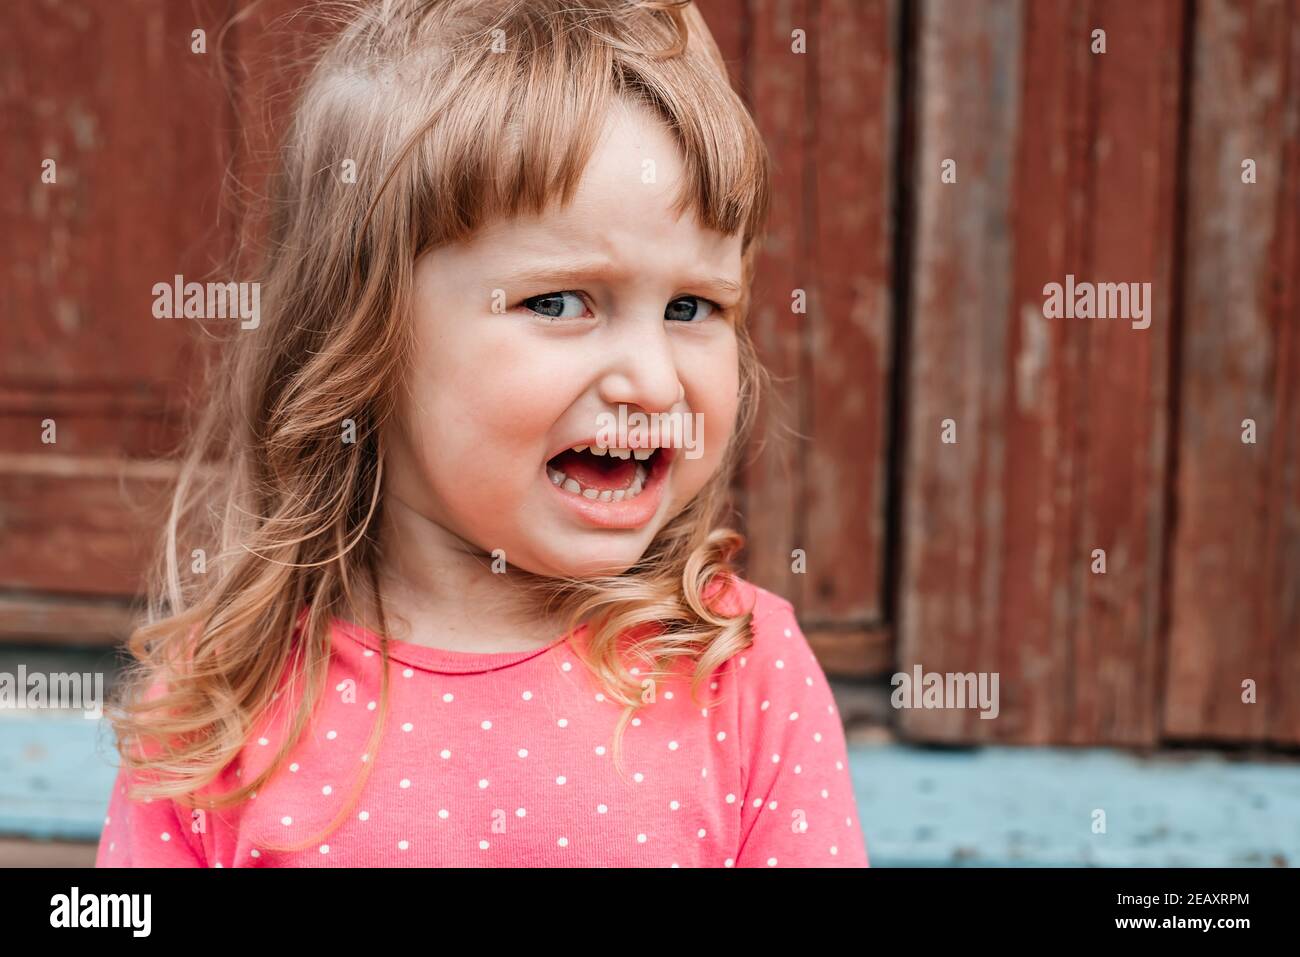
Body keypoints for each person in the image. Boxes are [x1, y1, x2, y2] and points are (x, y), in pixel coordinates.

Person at [95, 0, 868, 868]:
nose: (653, 381)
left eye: (694, 306)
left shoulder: (741, 674)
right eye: (561, 302)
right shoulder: (225, 702)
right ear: (365, 332)